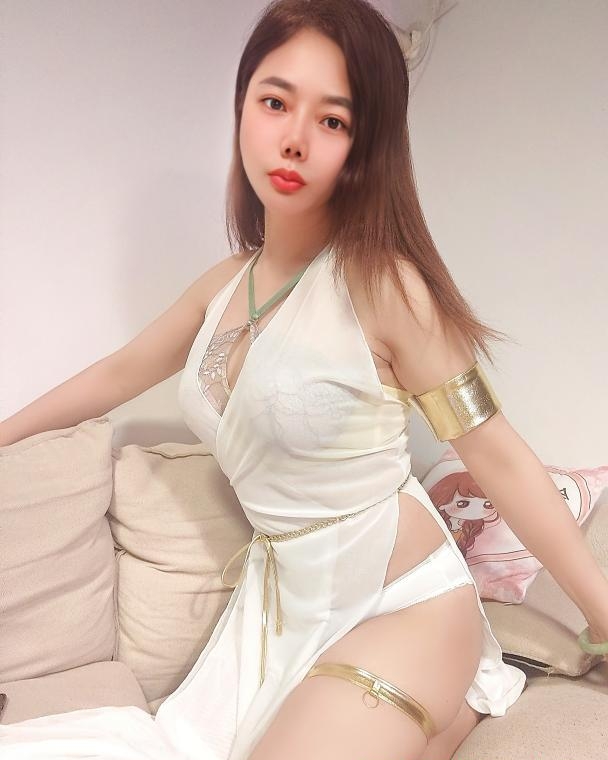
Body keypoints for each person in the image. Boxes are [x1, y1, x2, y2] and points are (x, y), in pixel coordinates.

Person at [2, 1, 608, 758]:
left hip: (405, 607)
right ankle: (444, 722)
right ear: (242, 108)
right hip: (279, 614)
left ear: (366, 145)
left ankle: (451, 692)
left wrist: (603, 616)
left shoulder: (387, 287)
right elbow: (116, 373)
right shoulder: (223, 285)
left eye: (332, 120)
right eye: (275, 102)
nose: (294, 137)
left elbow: (498, 455)